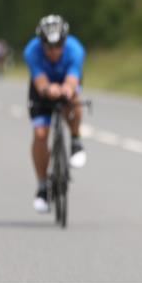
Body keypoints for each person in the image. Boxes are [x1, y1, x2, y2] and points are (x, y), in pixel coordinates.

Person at [24, 15, 87, 213]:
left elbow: (73, 78)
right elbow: (40, 81)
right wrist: (47, 90)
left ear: (64, 41)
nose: (53, 51)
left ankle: (76, 140)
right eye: (48, 47)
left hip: (66, 83)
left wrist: (67, 88)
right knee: (41, 134)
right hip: (42, 89)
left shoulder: (75, 49)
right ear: (41, 43)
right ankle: (42, 187)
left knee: (73, 100)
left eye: (58, 45)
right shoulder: (31, 51)